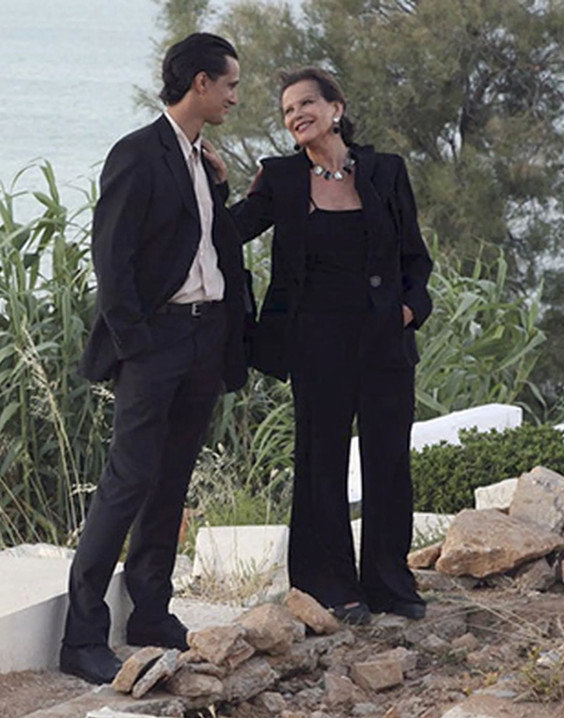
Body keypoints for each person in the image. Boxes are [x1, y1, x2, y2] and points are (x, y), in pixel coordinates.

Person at [60, 32, 255, 684]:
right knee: (127, 483)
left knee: (172, 482)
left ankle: (149, 613)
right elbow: (111, 261)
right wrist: (139, 346)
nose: (234, 97)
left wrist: (222, 189)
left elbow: (205, 244)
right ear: (200, 83)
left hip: (204, 339)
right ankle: (82, 637)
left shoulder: (202, 160)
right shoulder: (137, 153)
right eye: (229, 84)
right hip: (156, 344)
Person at [230, 67, 433, 624]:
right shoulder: (280, 178)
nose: (296, 115)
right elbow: (229, 232)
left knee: (388, 461)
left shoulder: (386, 171)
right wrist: (212, 183)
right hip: (315, 342)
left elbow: (415, 257)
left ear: (336, 108)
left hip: (384, 339)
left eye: (305, 104)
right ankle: (329, 585)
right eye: (287, 111)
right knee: (321, 462)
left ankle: (390, 583)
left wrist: (410, 308)